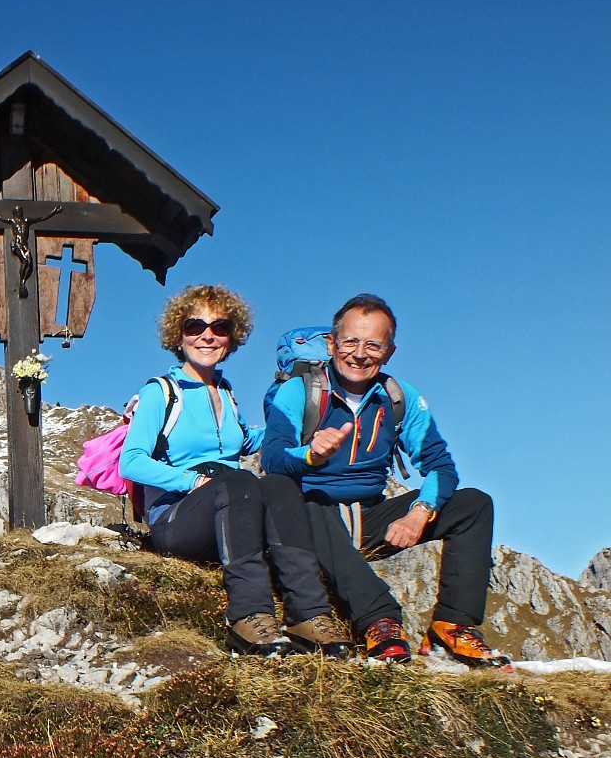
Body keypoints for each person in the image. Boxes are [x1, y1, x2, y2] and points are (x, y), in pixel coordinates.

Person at [260, 293, 508, 669]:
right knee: (307, 503)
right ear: (332, 343)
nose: (359, 354)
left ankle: (452, 625)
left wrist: (420, 511)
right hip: (311, 516)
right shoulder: (298, 391)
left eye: (373, 344)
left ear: (389, 351)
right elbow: (273, 458)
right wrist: (310, 454)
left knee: (473, 504)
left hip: (370, 517)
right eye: (350, 342)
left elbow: (440, 465)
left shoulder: (398, 397)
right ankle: (380, 620)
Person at [119, 285, 354, 658]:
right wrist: (193, 480)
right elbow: (131, 461)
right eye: (195, 325)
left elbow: (245, 441)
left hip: (228, 510)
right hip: (177, 519)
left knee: (278, 483)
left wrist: (295, 429)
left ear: (232, 337)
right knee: (241, 480)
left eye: (220, 327)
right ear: (178, 335)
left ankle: (308, 614)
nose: (207, 335)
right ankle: (248, 617)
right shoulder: (161, 392)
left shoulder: (225, 392)